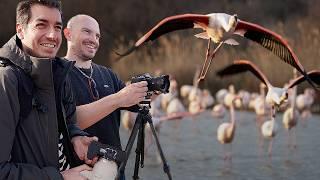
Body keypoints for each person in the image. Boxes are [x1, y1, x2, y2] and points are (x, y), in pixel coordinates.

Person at [0, 1, 97, 179]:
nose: (53, 35)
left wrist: (76, 137)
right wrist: (60, 178)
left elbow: (68, 122)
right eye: (41, 25)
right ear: (20, 30)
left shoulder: (59, 72)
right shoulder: (6, 80)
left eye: (57, 27)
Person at [63, 14, 148, 178]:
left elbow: (135, 103)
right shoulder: (56, 73)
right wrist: (118, 99)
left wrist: (148, 90)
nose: (93, 39)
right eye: (87, 32)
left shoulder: (109, 74)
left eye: (97, 36)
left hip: (114, 168)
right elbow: (65, 120)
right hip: (75, 172)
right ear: (68, 34)